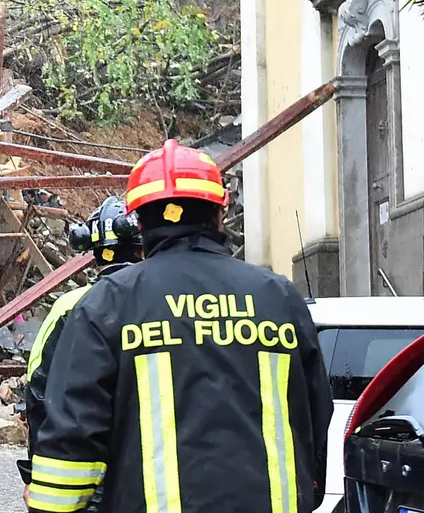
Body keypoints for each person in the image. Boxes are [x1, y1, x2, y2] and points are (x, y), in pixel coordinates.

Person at [25, 139, 333, 513]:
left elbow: (69, 443)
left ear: (138, 223)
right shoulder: (279, 297)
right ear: (219, 214)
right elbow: (316, 415)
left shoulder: (108, 304)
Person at [18, 196, 143, 511]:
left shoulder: (69, 308)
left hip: (82, 482)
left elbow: (39, 394)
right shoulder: (164, 301)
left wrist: (38, 475)